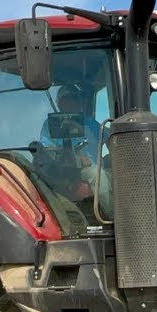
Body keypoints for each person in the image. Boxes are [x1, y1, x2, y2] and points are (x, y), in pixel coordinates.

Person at [38, 83, 112, 218]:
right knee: (97, 175)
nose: (70, 102)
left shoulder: (91, 124)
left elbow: (110, 139)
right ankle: (112, 217)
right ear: (59, 103)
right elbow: (47, 150)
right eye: (66, 99)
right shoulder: (51, 124)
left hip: (92, 167)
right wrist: (77, 158)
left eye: (74, 98)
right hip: (64, 171)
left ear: (80, 102)